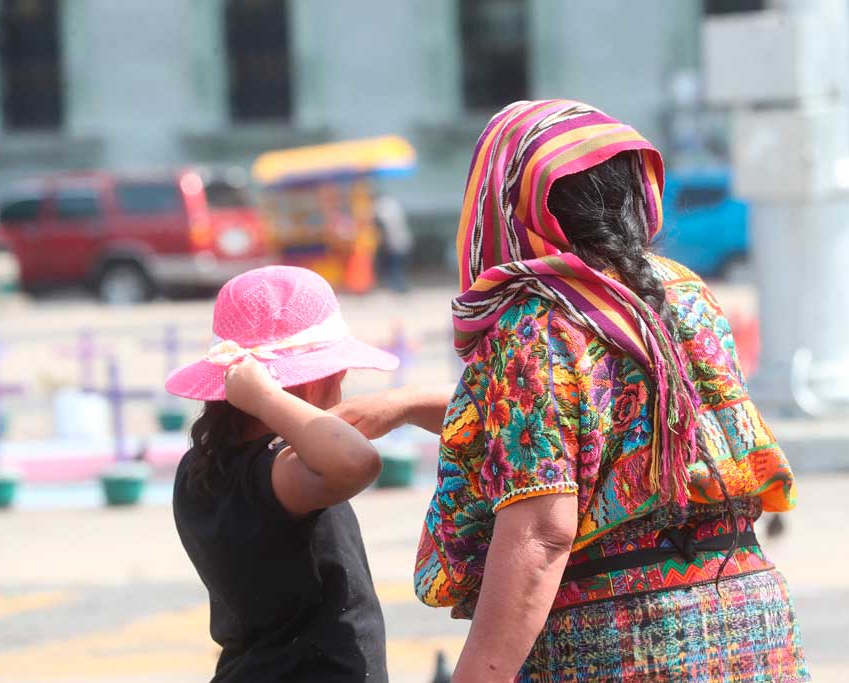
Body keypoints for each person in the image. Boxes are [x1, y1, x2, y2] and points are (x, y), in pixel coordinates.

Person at [332, 100, 810, 682]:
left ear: (504, 203)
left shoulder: (535, 323)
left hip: (621, 641)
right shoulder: (682, 292)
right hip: (751, 620)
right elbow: (605, 424)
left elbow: (542, 531)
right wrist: (407, 405)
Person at [165, 265, 400, 683]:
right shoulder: (278, 472)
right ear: (313, 385)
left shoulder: (201, 466)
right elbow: (358, 461)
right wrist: (265, 396)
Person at [373, 194, 413, 293]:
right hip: (401, 241)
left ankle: (399, 286)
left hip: (395, 243)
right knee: (398, 266)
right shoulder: (394, 207)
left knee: (395, 267)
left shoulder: (383, 209)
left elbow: (383, 228)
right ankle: (400, 286)